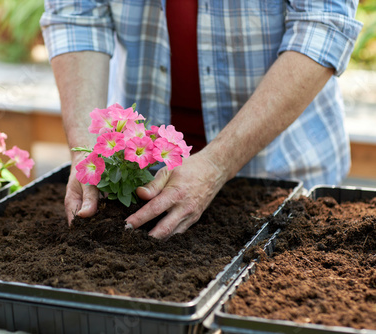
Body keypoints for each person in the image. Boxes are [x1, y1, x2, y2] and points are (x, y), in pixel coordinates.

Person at [40, 0, 362, 240]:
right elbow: (76, 16)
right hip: (149, 177)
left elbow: (322, 26)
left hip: (277, 170)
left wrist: (217, 163)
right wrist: (88, 150)